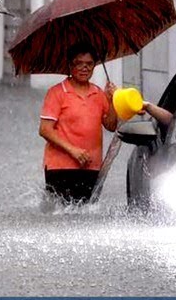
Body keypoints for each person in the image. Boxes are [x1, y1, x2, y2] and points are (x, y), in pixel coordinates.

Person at [38, 43, 119, 204]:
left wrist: (112, 102)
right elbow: (45, 130)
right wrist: (73, 151)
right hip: (60, 167)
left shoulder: (99, 94)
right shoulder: (57, 93)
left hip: (91, 167)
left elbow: (111, 126)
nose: (84, 68)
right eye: (79, 63)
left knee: (85, 213)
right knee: (60, 213)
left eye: (89, 64)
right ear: (70, 65)